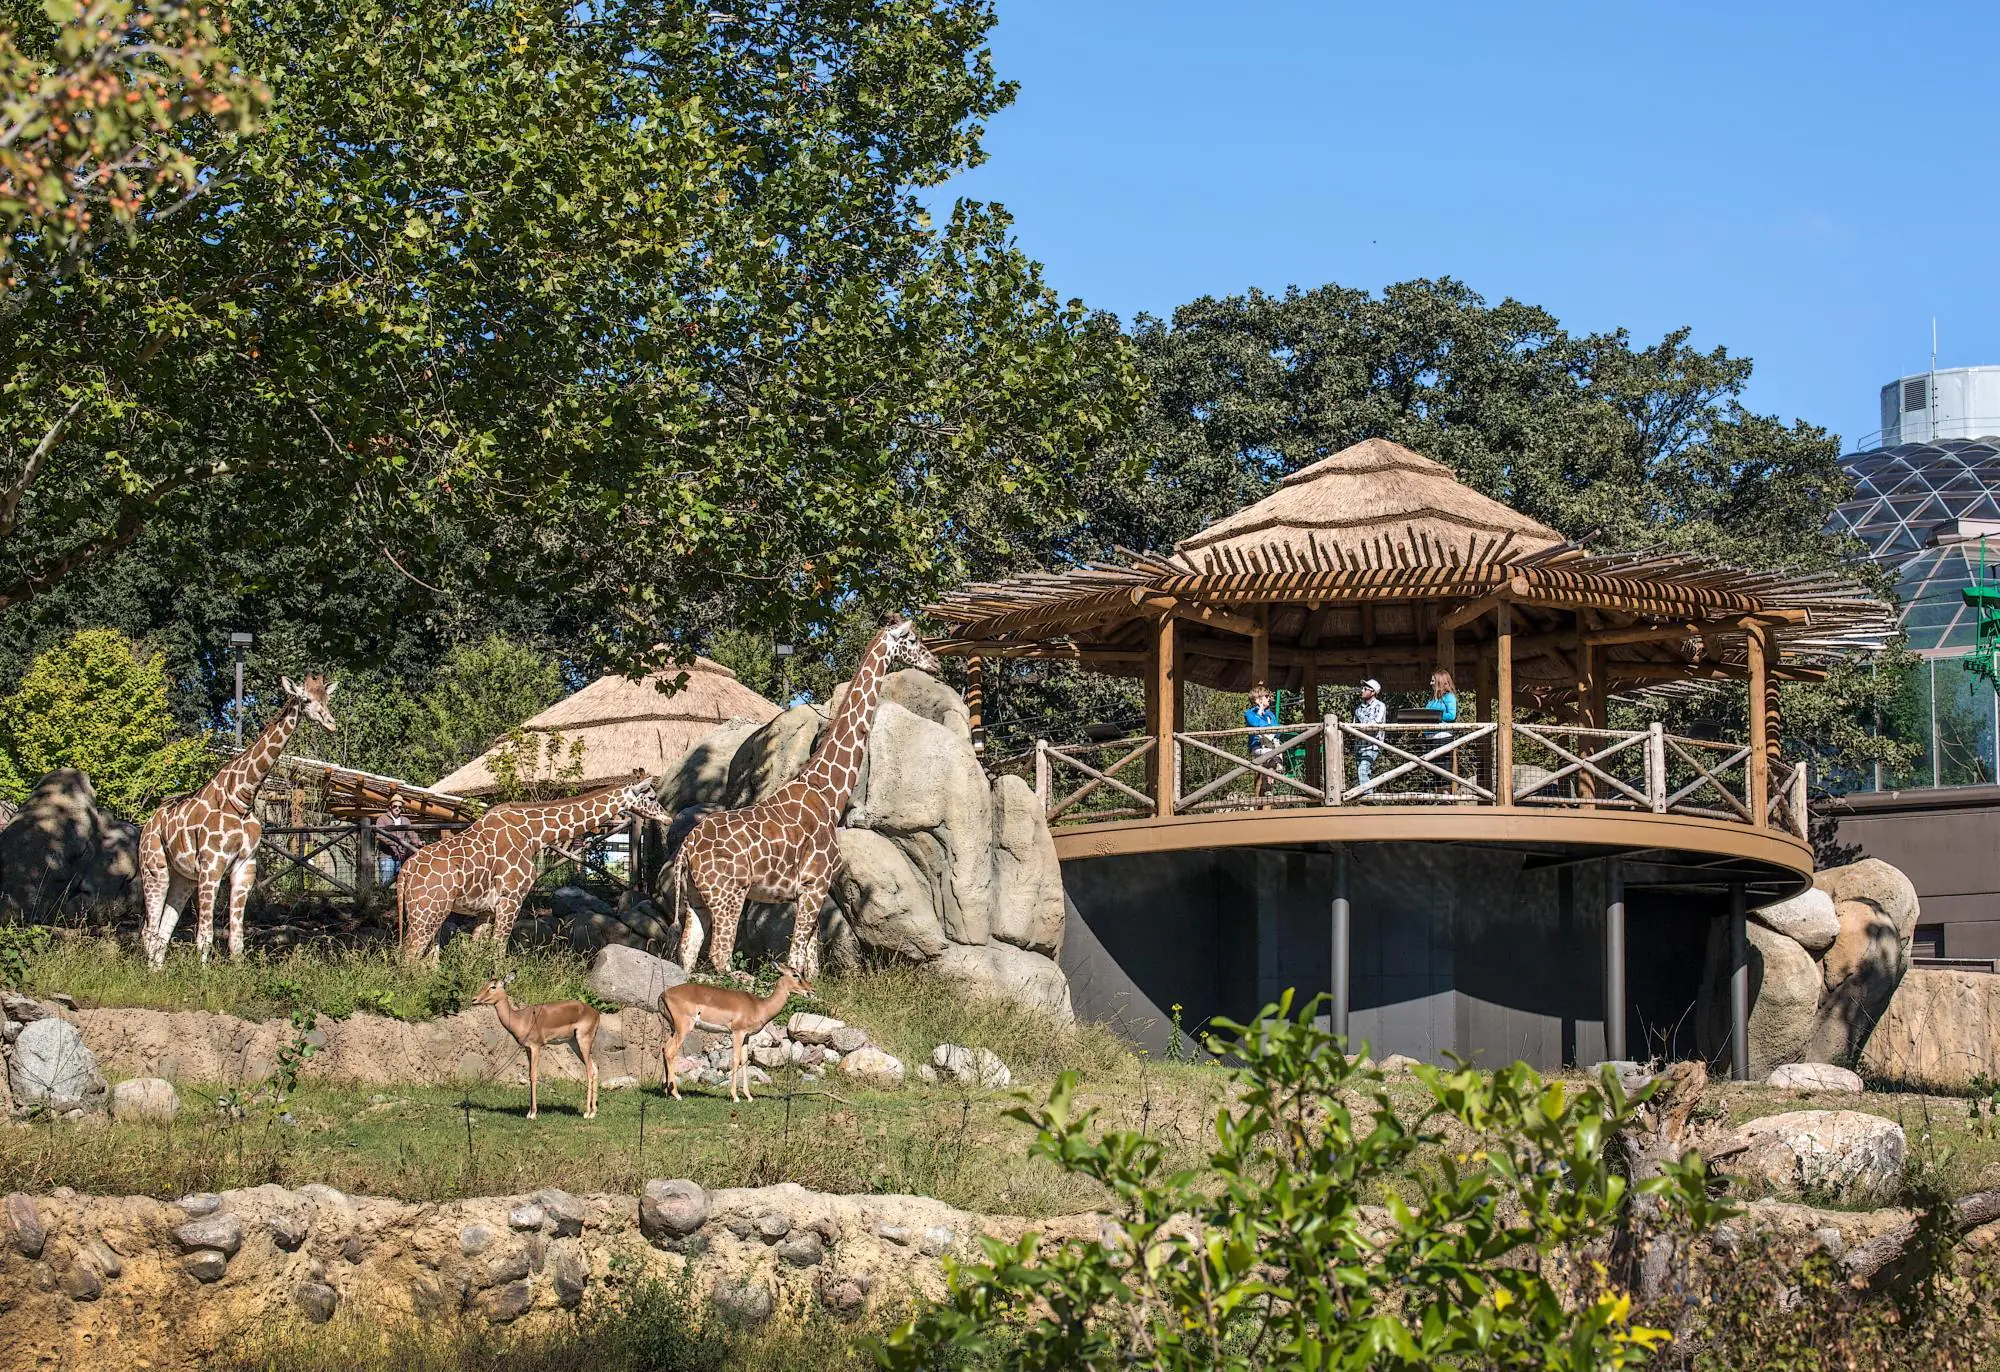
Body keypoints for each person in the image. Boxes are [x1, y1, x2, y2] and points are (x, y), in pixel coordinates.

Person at [1245, 684, 1280, 801]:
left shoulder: (1270, 714)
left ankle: (1268, 786)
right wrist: (1260, 711)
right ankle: (1265, 787)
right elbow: (1256, 723)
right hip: (1258, 747)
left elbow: (1277, 730)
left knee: (1274, 759)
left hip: (1271, 746)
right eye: (1266, 696)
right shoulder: (1249, 713)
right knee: (1271, 757)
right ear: (1258, 699)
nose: (1269, 698)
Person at [1353, 678, 1387, 792]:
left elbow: (1375, 724)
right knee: (1363, 774)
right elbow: (1354, 726)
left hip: (1372, 746)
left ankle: (1368, 798)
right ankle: (1368, 797)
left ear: (1373, 692)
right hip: (1359, 747)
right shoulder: (1358, 708)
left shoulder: (1380, 706)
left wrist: (1361, 727)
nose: (1362, 690)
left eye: (1365, 688)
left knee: (1362, 771)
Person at [374, 793, 416, 886]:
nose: (397, 809)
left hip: (401, 857)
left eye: (399, 807)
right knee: (386, 883)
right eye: (395, 806)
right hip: (387, 856)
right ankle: (383, 895)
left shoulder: (405, 820)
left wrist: (419, 842)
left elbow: (412, 834)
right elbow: (379, 835)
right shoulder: (382, 819)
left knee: (402, 883)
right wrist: (394, 843)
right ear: (390, 806)